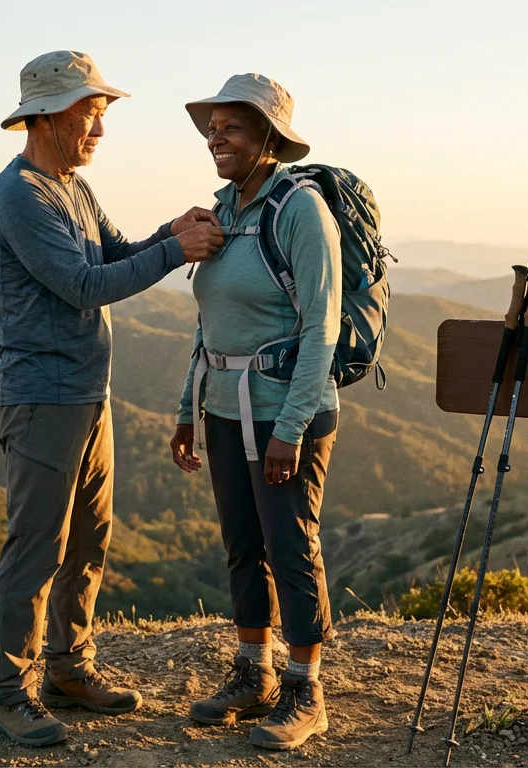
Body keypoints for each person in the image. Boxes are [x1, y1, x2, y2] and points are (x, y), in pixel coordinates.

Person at [0, 50, 223, 747]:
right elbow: (84, 286)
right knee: (37, 550)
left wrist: (170, 234)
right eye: (91, 115)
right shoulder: (20, 195)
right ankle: (6, 693)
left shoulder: (71, 186)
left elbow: (115, 254)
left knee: (89, 543)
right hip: (42, 401)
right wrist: (178, 253)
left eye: (100, 116)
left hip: (89, 396)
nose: (100, 129)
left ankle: (67, 669)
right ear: (48, 116)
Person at [171, 73, 342, 751]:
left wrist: (291, 427)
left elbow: (321, 328)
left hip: (284, 411)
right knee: (243, 544)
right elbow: (209, 323)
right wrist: (189, 408)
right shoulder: (224, 211)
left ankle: (306, 690)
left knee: (290, 546)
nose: (217, 138)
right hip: (223, 407)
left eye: (231, 127)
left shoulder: (299, 209)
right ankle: (254, 672)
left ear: (268, 137)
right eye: (212, 127)